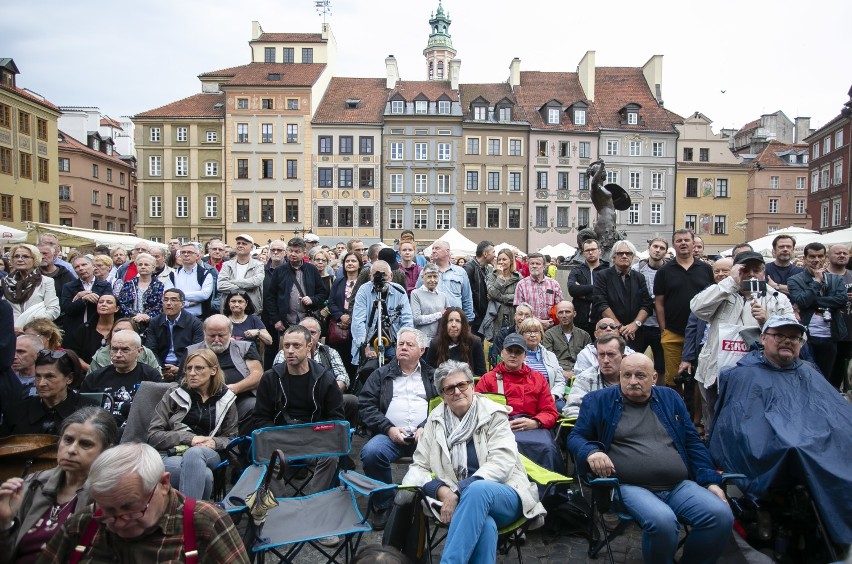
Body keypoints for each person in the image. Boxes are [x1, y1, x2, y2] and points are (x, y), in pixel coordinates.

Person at [568, 353, 734, 564]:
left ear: (654, 378)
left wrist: (710, 481)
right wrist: (592, 452)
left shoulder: (669, 398)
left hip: (678, 485)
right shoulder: (599, 401)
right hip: (628, 487)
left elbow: (692, 442)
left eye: (640, 375)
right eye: (626, 375)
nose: (632, 381)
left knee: (720, 515)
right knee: (663, 522)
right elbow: (576, 437)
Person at [709, 315, 852, 547]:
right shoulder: (743, 375)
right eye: (780, 336)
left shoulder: (809, 372)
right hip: (791, 450)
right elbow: (741, 428)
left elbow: (836, 414)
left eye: (794, 337)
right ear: (763, 338)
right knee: (797, 451)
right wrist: (794, 441)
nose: (788, 341)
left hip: (822, 444)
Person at [403, 359, 546, 563]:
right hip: (460, 504)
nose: (457, 392)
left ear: (472, 386)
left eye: (462, 385)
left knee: (477, 490)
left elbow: (503, 461)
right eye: (449, 388)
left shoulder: (494, 415)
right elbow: (417, 468)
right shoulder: (435, 422)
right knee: (485, 525)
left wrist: (460, 490)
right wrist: (443, 492)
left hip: (505, 495)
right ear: (442, 395)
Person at [37, 442, 249, 563]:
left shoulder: (204, 523)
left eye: (131, 509)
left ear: (164, 484)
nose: (119, 522)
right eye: (109, 511)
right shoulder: (85, 522)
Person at [690, 251, 793, 432]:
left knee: (752, 425)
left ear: (764, 272)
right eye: (746, 270)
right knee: (715, 422)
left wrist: (768, 321)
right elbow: (697, 308)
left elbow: (797, 337)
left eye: (757, 270)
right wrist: (730, 282)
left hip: (759, 376)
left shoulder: (777, 299)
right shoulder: (722, 291)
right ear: (737, 270)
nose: (752, 274)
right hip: (716, 373)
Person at [0, 408, 118, 563]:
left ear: (106, 451)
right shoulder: (32, 483)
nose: (71, 450)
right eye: (68, 440)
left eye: (85, 444)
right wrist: (5, 524)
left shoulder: (107, 498)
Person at [358, 327, 439, 529]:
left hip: (426, 437)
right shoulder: (381, 374)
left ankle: (433, 500)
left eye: (409, 344)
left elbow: (444, 407)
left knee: (449, 453)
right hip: (390, 435)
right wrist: (388, 429)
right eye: (400, 344)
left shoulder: (433, 376)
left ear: (422, 350)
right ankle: (385, 503)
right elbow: (365, 404)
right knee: (371, 452)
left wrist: (426, 427)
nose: (403, 348)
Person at [249, 325, 344, 494]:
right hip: (279, 440)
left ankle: (314, 500)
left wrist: (315, 432)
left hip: (315, 440)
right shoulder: (270, 378)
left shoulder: (325, 379)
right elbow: (260, 417)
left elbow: (335, 419)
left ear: (309, 347)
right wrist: (278, 435)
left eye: (296, 346)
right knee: (265, 456)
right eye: (286, 346)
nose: (290, 351)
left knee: (331, 455)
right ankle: (283, 506)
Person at [148, 349, 238, 500]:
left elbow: (232, 437)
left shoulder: (226, 399)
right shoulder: (174, 394)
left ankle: (185, 516)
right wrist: (189, 438)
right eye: (188, 368)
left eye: (199, 368)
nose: (192, 373)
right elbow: (153, 435)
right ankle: (196, 517)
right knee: (206, 476)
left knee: (195, 453)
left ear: (213, 370)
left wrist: (214, 442)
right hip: (172, 454)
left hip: (209, 454)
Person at [476, 334, 562, 471]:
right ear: (502, 353)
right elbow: (477, 411)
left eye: (518, 352)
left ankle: (550, 491)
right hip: (498, 428)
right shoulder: (488, 379)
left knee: (548, 447)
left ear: (525, 356)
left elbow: (550, 411)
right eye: (510, 351)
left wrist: (536, 422)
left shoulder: (538, 379)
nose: (513, 355)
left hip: (533, 427)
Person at [653, 230, 714, 391]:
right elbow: (659, 302)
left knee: (698, 377)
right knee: (673, 378)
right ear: (673, 245)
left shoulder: (706, 269)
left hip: (700, 333)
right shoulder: (664, 271)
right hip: (673, 331)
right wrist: (663, 328)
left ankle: (695, 416)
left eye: (686, 240)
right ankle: (675, 413)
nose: (683, 243)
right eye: (679, 240)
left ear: (694, 244)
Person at [272, 317, 359, 429]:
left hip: (326, 399)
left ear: (319, 334)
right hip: (290, 399)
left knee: (351, 401)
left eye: (312, 332)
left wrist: (327, 392)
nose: (308, 335)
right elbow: (276, 380)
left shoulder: (329, 352)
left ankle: (343, 441)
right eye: (304, 330)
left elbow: (343, 378)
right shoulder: (286, 353)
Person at [788, 242, 848, 383]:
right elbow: (802, 301)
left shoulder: (835, 279)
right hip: (807, 336)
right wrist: (817, 282)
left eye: (820, 256)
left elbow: (841, 301)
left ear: (825, 257)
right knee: (807, 376)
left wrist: (813, 301)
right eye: (812, 256)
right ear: (805, 258)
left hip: (831, 334)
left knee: (826, 378)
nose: (816, 260)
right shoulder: (795, 280)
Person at [186, 314, 262, 422]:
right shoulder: (191, 351)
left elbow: (257, 374)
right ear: (204, 333)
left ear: (230, 333)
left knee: (254, 406)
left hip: (239, 400)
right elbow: (181, 381)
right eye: (212, 336)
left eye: (221, 336)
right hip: (200, 402)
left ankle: (242, 439)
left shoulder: (246, 347)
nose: (216, 340)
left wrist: (235, 388)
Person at [0, 349, 87, 436]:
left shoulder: (87, 411)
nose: (41, 383)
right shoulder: (16, 412)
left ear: (69, 378)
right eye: (38, 376)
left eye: (50, 376)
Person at [593, 240, 653, 351]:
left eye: (628, 253)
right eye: (620, 253)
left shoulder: (639, 278)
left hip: (635, 334)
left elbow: (647, 304)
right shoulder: (603, 276)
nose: (624, 256)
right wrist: (618, 327)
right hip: (610, 332)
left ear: (633, 257)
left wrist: (635, 324)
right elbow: (601, 303)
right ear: (614, 257)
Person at [351, 261, 413, 366]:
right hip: (369, 341)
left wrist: (404, 344)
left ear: (391, 276)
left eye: (384, 274)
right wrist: (364, 347)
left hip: (394, 340)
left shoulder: (399, 291)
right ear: (370, 277)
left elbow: (407, 320)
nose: (381, 278)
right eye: (376, 275)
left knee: (401, 365)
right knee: (369, 368)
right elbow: (358, 321)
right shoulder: (363, 290)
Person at [264, 237, 328, 335]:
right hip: (285, 322)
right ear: (287, 251)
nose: (293, 254)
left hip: (307, 321)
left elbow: (323, 293)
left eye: (297, 251)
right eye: (290, 251)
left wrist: (312, 299)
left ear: (304, 253)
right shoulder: (279, 271)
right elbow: (271, 297)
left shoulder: (312, 269)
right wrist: (276, 319)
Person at [145, 288, 205, 381]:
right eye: (166, 300)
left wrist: (179, 369)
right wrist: (161, 369)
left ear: (182, 304)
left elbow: (196, 350)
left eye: (173, 300)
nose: (168, 303)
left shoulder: (194, 323)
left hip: (186, 368)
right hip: (160, 367)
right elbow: (151, 349)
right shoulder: (155, 322)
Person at [632, 237, 669, 382]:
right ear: (649, 248)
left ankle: (659, 394)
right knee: (634, 361)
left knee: (661, 365)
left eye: (662, 248)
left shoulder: (668, 270)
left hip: (660, 326)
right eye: (655, 246)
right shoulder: (637, 269)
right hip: (640, 325)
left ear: (665, 252)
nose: (658, 250)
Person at [563, 334, 624, 419]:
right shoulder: (585, 378)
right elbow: (571, 408)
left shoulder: (634, 379)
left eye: (611, 354)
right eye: (601, 355)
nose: (606, 360)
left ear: (623, 356)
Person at [2, 244, 60, 329]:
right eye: (16, 256)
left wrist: (31, 326)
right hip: (9, 331)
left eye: (25, 256)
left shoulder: (46, 281)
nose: (20, 259)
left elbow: (53, 310)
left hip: (35, 331)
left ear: (35, 259)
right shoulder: (3, 282)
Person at [417, 240, 474, 323]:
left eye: (437, 248)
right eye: (433, 249)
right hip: (432, 323)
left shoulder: (460, 272)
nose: (433, 251)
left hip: (454, 322)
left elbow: (467, 298)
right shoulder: (425, 272)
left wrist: (468, 321)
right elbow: (418, 296)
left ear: (447, 251)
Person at [517, 317, 567, 411]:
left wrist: (553, 395)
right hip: (525, 399)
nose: (533, 335)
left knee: (563, 410)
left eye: (536, 332)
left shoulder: (551, 356)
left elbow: (560, 381)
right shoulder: (516, 356)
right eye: (528, 332)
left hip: (550, 397)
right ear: (521, 335)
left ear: (541, 335)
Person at [60, 255, 112, 338]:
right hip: (74, 331)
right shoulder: (68, 287)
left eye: (84, 265)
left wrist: (88, 293)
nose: (80, 268)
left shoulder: (105, 285)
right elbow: (67, 309)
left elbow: (108, 303)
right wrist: (83, 299)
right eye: (77, 267)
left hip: (97, 330)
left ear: (93, 266)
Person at [62, 293, 120, 368]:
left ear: (117, 308)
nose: (103, 304)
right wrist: (90, 369)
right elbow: (74, 354)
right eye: (101, 302)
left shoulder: (122, 328)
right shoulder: (84, 329)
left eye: (109, 302)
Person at [425, 307, 487, 377]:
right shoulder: (435, 343)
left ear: (463, 325)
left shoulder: (475, 342)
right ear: (445, 324)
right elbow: (428, 371)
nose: (453, 325)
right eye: (450, 321)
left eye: (457, 321)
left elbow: (481, 374)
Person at [327, 250, 362, 374]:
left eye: (353, 261)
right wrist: (341, 316)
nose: (350, 263)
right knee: (341, 358)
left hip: (358, 325)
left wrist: (351, 318)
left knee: (355, 358)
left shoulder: (363, 284)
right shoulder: (339, 282)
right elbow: (331, 302)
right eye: (347, 261)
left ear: (359, 264)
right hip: (340, 326)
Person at [87, 318, 161, 376]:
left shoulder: (146, 353)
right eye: (117, 330)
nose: (121, 333)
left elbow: (157, 382)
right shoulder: (100, 355)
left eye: (125, 349)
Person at [567, 238, 608, 335]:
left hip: (601, 321)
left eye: (593, 249)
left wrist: (583, 293)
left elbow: (609, 293)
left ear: (599, 250)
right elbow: (572, 290)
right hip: (580, 322)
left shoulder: (607, 270)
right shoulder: (577, 270)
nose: (590, 252)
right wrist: (597, 289)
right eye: (587, 250)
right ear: (583, 253)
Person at [513, 253, 563, 331]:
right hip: (528, 328)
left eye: (538, 264)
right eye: (532, 263)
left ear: (544, 266)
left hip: (551, 328)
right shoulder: (521, 285)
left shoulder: (554, 284)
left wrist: (551, 321)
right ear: (528, 265)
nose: (534, 266)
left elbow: (559, 306)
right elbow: (519, 309)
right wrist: (539, 322)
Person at [216, 234, 264, 316]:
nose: (240, 245)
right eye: (238, 243)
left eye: (244, 244)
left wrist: (232, 282)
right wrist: (245, 288)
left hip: (251, 310)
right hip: (229, 311)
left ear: (252, 247)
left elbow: (256, 282)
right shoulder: (227, 265)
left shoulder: (258, 265)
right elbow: (221, 285)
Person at [826, 243, 852, 390]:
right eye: (838, 253)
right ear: (828, 256)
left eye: (845, 253)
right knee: (829, 371)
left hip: (849, 331)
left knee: (845, 371)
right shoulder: (822, 276)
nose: (842, 255)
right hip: (828, 331)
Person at [541, 300, 591, 375]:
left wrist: (577, 373)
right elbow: (548, 360)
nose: (564, 315)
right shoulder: (549, 335)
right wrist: (563, 373)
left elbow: (589, 359)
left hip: (581, 374)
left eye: (567, 312)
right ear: (557, 315)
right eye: (560, 312)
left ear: (574, 314)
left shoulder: (584, 336)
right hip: (558, 374)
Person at [169, 243, 215, 319]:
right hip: (177, 317)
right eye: (183, 252)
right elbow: (168, 295)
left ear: (197, 255)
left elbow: (204, 295)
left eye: (189, 252)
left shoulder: (205, 274)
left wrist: (179, 296)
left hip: (199, 318)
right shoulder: (173, 274)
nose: (186, 254)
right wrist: (190, 302)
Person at [118, 252, 166, 326]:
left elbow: (160, 306)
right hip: (130, 323)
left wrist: (147, 317)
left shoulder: (159, 285)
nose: (143, 267)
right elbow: (122, 304)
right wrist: (136, 315)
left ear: (153, 267)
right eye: (140, 265)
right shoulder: (129, 284)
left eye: (146, 265)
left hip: (152, 324)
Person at [260, 239, 287, 368]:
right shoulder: (261, 271)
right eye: (273, 250)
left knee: (286, 352)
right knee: (269, 351)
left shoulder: (291, 271)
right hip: (267, 318)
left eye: (279, 250)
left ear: (285, 252)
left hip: (286, 319)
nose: (276, 252)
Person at [486, 247, 521, 333]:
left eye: (504, 259)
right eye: (499, 259)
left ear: (511, 261)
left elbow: (519, 297)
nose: (501, 262)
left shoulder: (518, 277)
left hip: (513, 315)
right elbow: (493, 293)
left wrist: (499, 297)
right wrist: (500, 278)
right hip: (496, 316)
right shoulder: (491, 276)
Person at [463, 241, 494, 337]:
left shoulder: (486, 269)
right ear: (485, 254)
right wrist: (473, 315)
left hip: (482, 315)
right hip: (474, 317)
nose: (495, 255)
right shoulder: (469, 268)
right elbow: (465, 294)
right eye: (493, 252)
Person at [410, 263, 448, 339]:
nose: (432, 280)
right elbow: (416, 319)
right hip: (422, 339)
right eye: (429, 277)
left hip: (439, 340)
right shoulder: (416, 294)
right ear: (422, 277)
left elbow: (447, 314)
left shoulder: (442, 296)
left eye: (435, 277)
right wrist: (439, 314)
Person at [489, 303, 533, 368]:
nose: (523, 318)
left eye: (527, 315)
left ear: (531, 318)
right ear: (515, 316)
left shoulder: (535, 336)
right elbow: (496, 357)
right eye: (520, 314)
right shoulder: (504, 333)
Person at [37, 243, 74, 316]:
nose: (42, 257)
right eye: (38, 254)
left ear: (54, 256)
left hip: (61, 319)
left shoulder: (66, 275)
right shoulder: (32, 275)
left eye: (45, 254)